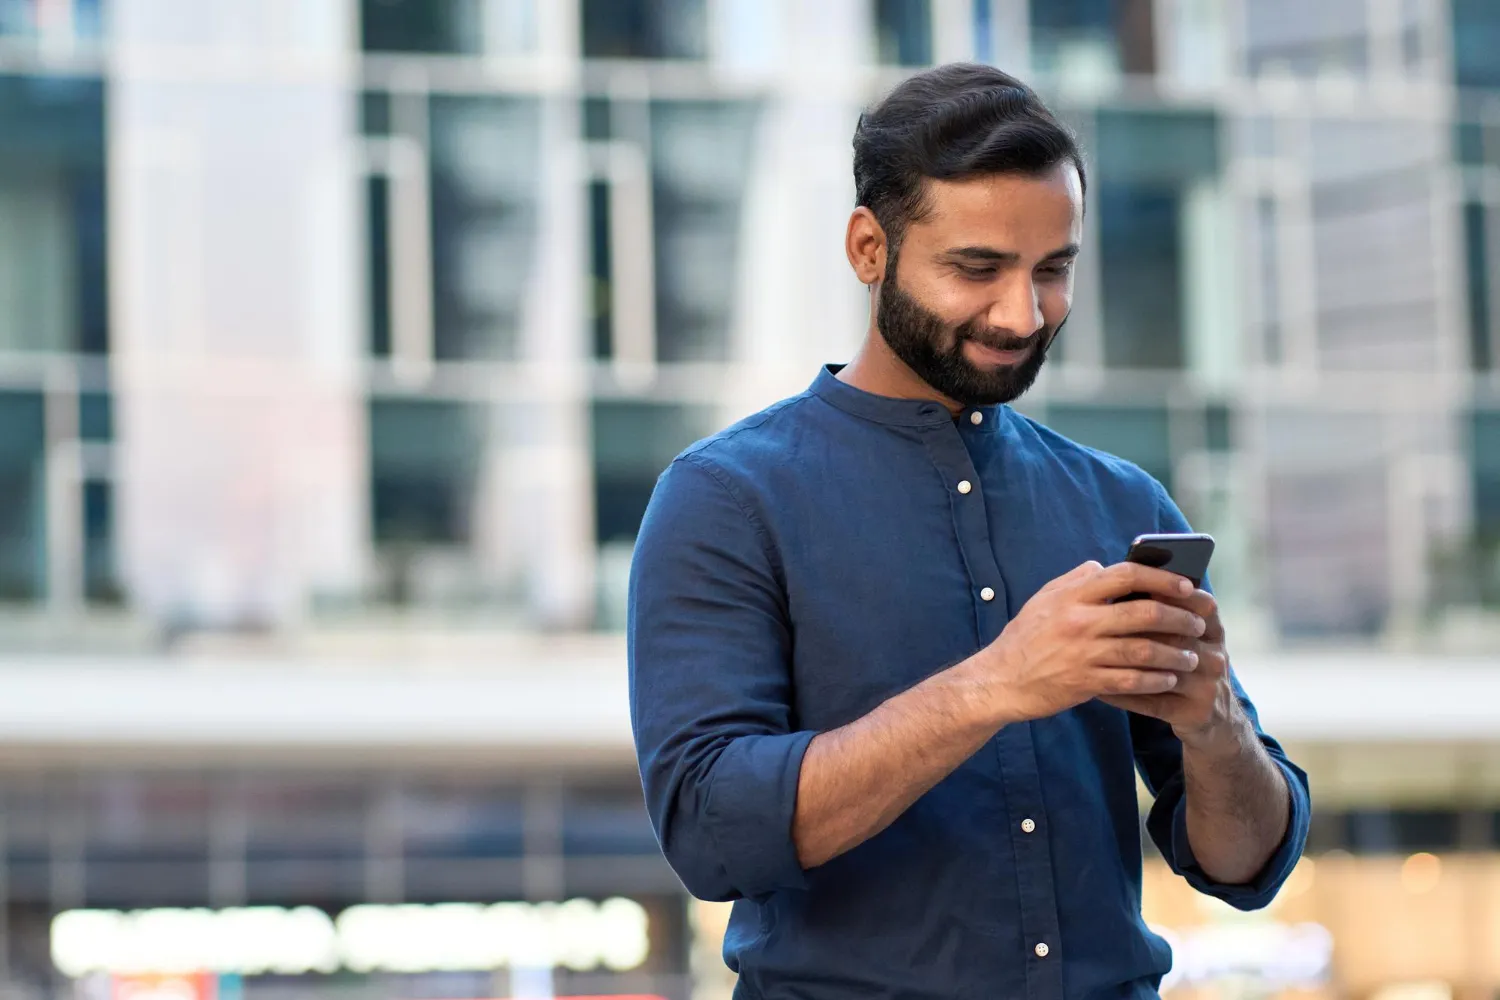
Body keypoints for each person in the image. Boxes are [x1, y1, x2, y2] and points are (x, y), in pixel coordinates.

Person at [627, 63, 1310, 999]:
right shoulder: (724, 500)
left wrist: (1213, 725)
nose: (1023, 314)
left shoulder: (1125, 504)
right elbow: (712, 834)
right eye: (978, 268)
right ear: (869, 248)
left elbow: (1244, 868)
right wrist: (996, 685)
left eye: (1054, 270)